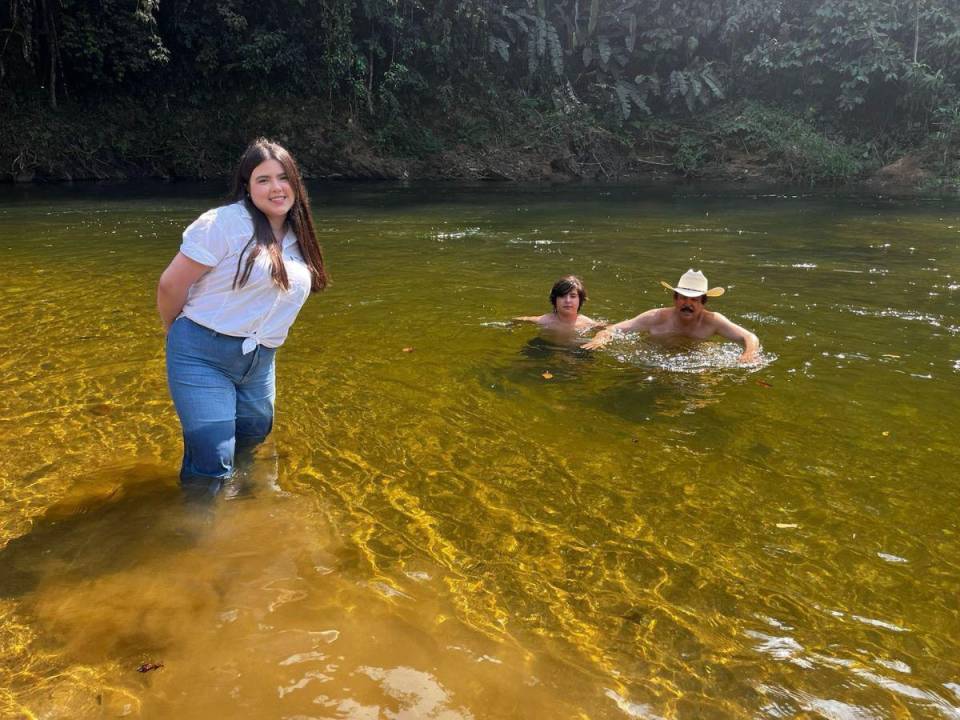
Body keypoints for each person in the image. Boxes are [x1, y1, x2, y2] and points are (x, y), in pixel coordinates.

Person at [157, 138, 328, 490]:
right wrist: (175, 333)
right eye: (263, 179)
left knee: (252, 439)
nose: (276, 188)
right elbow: (170, 285)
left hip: (261, 360)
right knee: (213, 458)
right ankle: (194, 533)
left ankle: (246, 514)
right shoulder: (223, 224)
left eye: (283, 177)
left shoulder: (299, 236)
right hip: (202, 354)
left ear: (296, 183)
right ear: (248, 188)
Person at [583, 269, 759, 362]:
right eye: (683, 298)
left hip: (695, 361)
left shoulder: (713, 321)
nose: (688, 304)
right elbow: (615, 329)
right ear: (675, 299)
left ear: (703, 303)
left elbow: (749, 337)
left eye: (694, 300)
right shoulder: (656, 317)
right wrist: (601, 337)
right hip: (655, 357)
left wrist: (749, 354)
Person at [513, 275, 603, 332]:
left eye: (573, 296)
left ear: (580, 299)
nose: (568, 300)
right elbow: (521, 319)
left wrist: (601, 337)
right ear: (555, 300)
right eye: (562, 296)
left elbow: (611, 328)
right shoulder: (545, 320)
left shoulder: (587, 323)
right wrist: (512, 325)